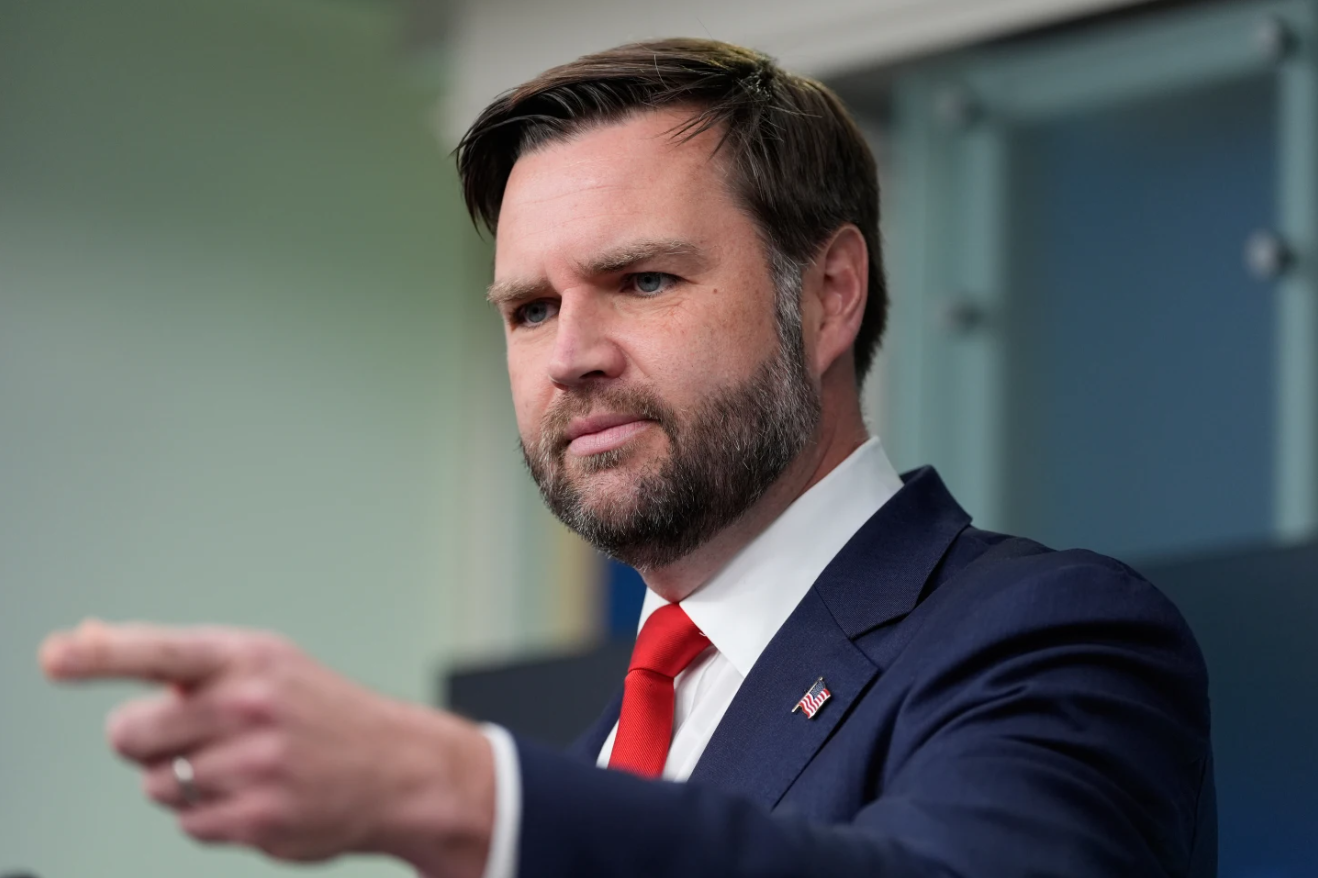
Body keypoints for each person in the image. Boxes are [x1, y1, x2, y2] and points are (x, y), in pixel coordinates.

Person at [40, 38, 1215, 878]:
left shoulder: (1047, 634)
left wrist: (449, 789)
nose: (572, 356)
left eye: (643, 280)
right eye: (529, 308)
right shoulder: (592, 754)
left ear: (831, 294)